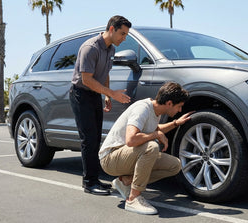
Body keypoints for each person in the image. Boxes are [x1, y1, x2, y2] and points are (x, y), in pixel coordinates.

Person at [99, 82, 192, 215]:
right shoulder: (142, 108)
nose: (180, 110)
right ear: (169, 103)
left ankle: (126, 181)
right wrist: (155, 135)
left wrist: (176, 123)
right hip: (110, 158)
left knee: (175, 165)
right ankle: (133, 199)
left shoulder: (156, 111)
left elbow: (155, 129)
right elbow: (131, 140)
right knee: (151, 147)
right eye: (179, 106)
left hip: (126, 157)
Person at [70, 15, 132, 196]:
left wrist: (106, 95)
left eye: (126, 35)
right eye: (122, 33)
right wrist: (112, 94)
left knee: (96, 138)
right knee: (88, 139)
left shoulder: (110, 49)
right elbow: (86, 79)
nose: (124, 38)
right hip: (81, 94)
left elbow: (105, 73)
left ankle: (95, 179)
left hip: (95, 94)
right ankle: (89, 183)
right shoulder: (90, 48)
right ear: (111, 29)